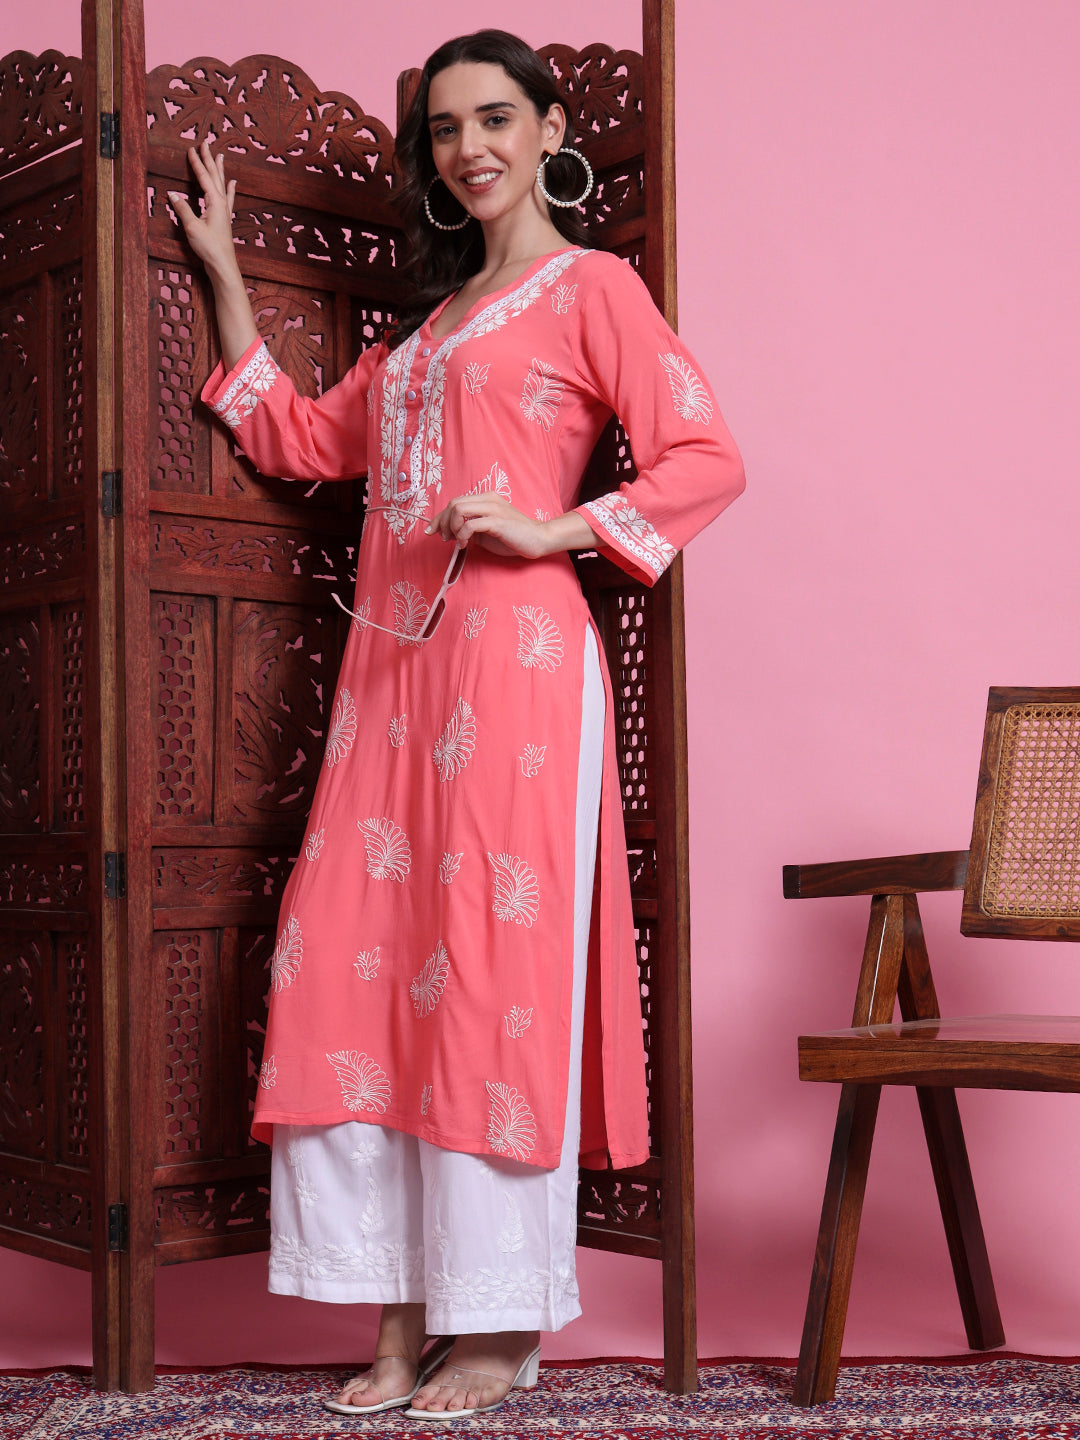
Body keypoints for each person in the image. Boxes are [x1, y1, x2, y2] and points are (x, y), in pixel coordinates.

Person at [170, 27, 745, 1421]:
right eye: (442, 129)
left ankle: (496, 1329)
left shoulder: (591, 289)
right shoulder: (421, 340)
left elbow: (707, 452)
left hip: (514, 673)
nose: (468, 149)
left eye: (494, 118)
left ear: (552, 129)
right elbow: (307, 442)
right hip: (389, 679)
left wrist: (554, 525)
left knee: (488, 973)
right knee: (361, 971)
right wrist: (228, 282)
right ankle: (400, 1312)